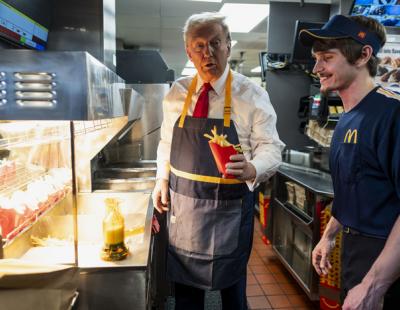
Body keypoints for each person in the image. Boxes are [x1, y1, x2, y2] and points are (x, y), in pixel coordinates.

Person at [152, 12, 284, 310]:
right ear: (189, 51)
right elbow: (167, 143)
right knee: (186, 296)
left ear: (228, 45)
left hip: (230, 210)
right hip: (185, 210)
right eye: (198, 46)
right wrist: (161, 178)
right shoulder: (177, 93)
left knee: (232, 295)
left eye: (215, 43)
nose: (207, 52)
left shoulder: (252, 94)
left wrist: (253, 168)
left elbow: (272, 149)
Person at [299, 14, 400, 310]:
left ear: (363, 55)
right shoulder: (345, 119)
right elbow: (353, 188)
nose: (317, 68)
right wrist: (329, 235)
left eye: (327, 58)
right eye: (316, 59)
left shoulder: (391, 115)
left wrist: (373, 285)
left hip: (387, 263)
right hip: (355, 254)